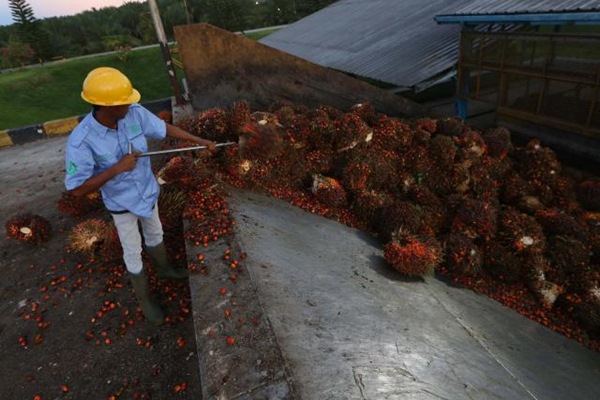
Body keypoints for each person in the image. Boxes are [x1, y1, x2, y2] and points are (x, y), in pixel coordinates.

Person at [64, 66, 216, 324]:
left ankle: (165, 269)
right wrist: (116, 168)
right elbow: (77, 189)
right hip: (121, 205)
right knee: (132, 250)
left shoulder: (133, 113)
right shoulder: (81, 141)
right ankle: (145, 299)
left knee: (155, 232)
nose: (132, 104)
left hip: (148, 191)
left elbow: (164, 128)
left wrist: (198, 140)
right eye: (125, 101)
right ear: (106, 106)